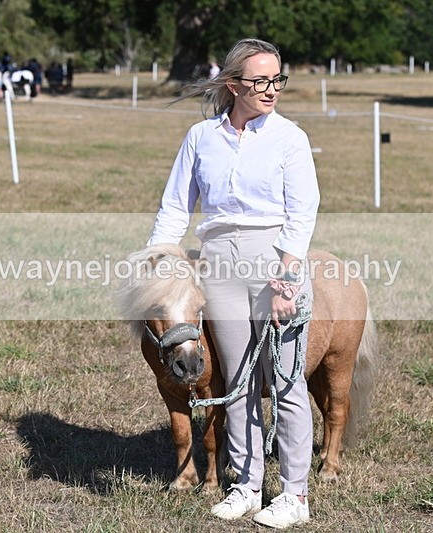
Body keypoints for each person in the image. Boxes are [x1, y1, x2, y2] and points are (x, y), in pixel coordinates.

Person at [147, 38, 319, 529]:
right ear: (232, 83)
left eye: (277, 79)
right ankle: (244, 484)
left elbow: (302, 213)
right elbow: (176, 206)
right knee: (237, 380)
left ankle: (294, 494)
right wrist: (161, 259)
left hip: (274, 260)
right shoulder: (201, 138)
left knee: (286, 383)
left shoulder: (290, 138)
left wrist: (287, 278)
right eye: (260, 80)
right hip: (218, 262)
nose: (272, 89)